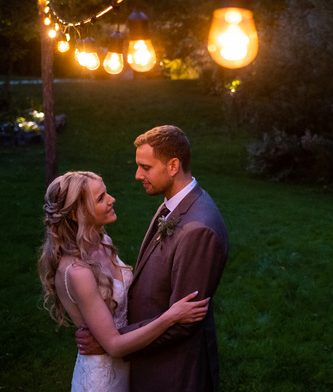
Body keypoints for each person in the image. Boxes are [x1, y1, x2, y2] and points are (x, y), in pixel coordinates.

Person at [77, 125, 229, 392]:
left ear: (173, 166)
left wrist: (111, 341)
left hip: (173, 372)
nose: (138, 175)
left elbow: (183, 322)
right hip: (153, 360)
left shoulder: (198, 229)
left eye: (145, 167)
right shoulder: (174, 204)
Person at [38, 171, 210, 392]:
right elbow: (114, 346)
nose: (112, 199)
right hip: (103, 379)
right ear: (75, 214)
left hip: (130, 364)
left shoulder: (103, 242)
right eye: (100, 198)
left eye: (106, 193)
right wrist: (171, 316)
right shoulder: (78, 272)